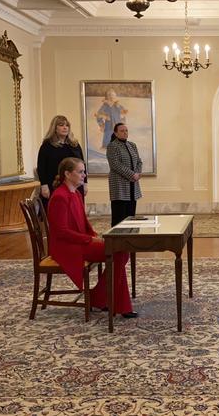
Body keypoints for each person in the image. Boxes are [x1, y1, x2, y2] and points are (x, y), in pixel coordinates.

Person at [47, 157, 137, 318]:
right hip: (66, 246)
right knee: (119, 252)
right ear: (67, 174)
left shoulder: (75, 194)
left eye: (84, 171)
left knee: (120, 250)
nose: (84, 175)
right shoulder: (60, 197)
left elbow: (83, 224)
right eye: (80, 172)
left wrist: (94, 236)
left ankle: (105, 300)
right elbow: (61, 232)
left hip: (78, 241)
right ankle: (101, 299)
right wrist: (90, 240)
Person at [37, 115, 86, 209]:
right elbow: (41, 167)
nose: (65, 127)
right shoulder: (47, 145)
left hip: (76, 183)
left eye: (67, 125)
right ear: (54, 128)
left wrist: (85, 183)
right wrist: (44, 185)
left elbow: (82, 164)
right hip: (55, 184)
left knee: (76, 210)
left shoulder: (74, 144)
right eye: (61, 125)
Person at [107, 123, 143, 226]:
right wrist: (132, 175)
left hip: (133, 185)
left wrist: (138, 173)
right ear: (116, 133)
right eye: (122, 131)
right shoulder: (112, 146)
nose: (125, 133)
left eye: (126, 130)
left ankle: (130, 237)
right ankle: (116, 240)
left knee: (131, 217)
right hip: (119, 187)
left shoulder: (132, 145)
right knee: (119, 218)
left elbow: (139, 161)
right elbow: (115, 164)